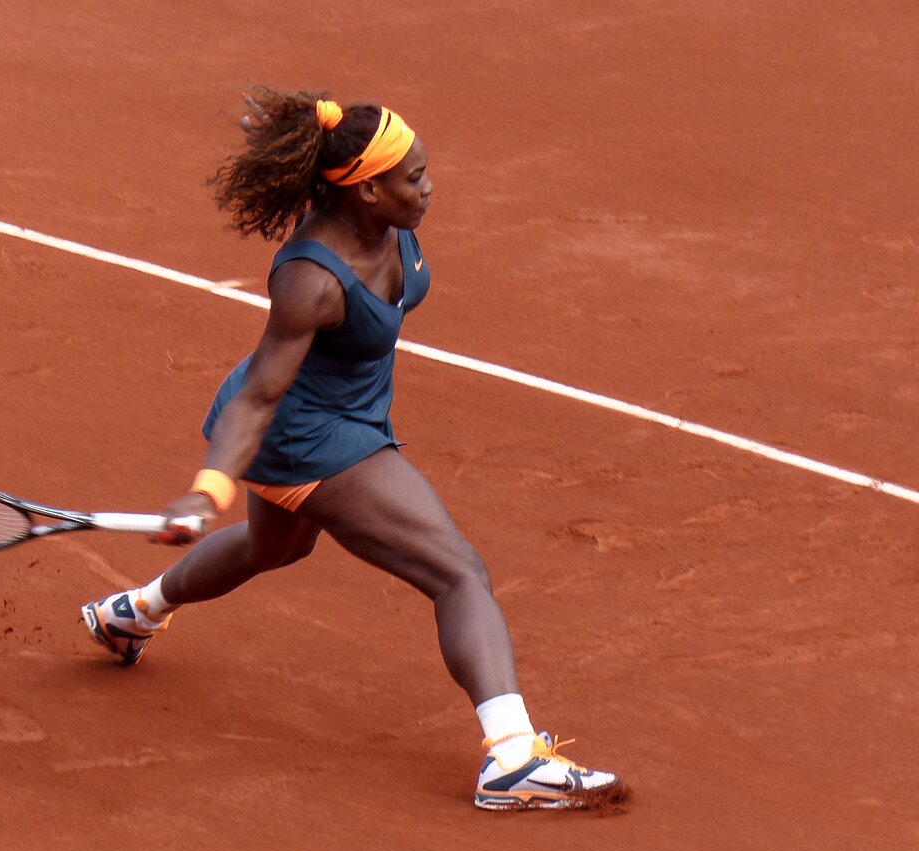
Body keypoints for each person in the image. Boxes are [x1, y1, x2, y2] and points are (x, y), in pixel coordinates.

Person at [81, 88, 628, 811]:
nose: (427, 187)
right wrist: (209, 487)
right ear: (367, 190)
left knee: (272, 549)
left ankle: (131, 613)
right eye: (412, 178)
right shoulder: (310, 278)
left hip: (347, 415)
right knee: (458, 572)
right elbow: (258, 398)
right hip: (308, 437)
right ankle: (513, 759)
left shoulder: (385, 221)